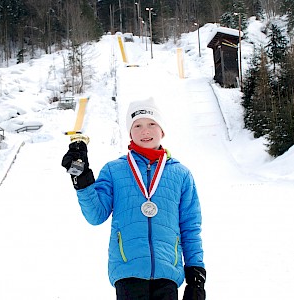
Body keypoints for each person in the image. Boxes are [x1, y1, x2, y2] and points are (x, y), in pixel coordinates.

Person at [61, 98, 206, 300]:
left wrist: (196, 276)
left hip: (167, 273)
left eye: (151, 124)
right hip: (128, 271)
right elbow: (95, 215)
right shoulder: (114, 170)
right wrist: (81, 175)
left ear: (162, 130)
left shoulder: (181, 175)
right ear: (130, 132)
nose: (144, 131)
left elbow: (190, 228)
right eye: (137, 125)